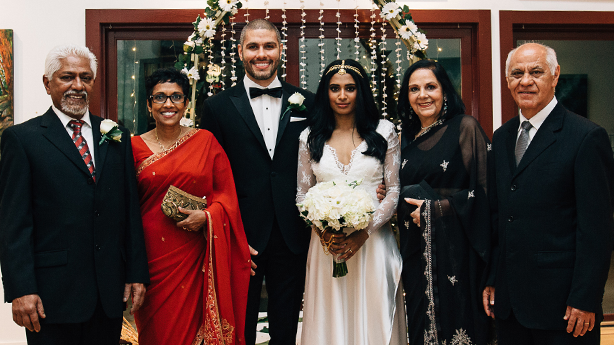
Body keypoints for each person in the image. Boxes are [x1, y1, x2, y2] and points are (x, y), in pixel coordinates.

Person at [0, 44, 149, 344]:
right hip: (50, 295)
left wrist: (136, 273)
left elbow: (129, 212)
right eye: (67, 77)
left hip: (107, 294)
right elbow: (13, 222)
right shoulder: (21, 139)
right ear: (47, 83)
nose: (78, 86)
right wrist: (21, 289)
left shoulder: (116, 136)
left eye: (86, 77)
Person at [483, 42, 614, 344]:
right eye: (517, 73)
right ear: (507, 81)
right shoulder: (502, 138)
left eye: (536, 72)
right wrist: (493, 278)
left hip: (564, 307)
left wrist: (586, 297)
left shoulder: (586, 137)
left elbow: (597, 230)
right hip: (510, 305)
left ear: (555, 76)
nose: (525, 81)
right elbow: (500, 217)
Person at [199, 19, 315, 344]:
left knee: (287, 330)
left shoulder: (308, 102)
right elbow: (208, 175)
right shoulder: (217, 107)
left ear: (280, 50)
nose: (261, 54)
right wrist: (228, 231)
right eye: (253, 46)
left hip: (293, 236)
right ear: (240, 52)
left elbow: (324, 162)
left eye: (268, 46)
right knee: (240, 328)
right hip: (240, 237)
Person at [131, 67, 251, 345]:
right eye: (159, 97)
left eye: (176, 97)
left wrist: (208, 216)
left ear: (186, 103)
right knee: (159, 332)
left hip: (197, 254)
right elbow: (125, 205)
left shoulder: (205, 141)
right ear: (149, 105)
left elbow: (227, 195)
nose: (168, 104)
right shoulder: (133, 147)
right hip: (151, 260)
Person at [296, 59, 406, 345]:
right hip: (326, 248)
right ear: (325, 93)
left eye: (350, 88)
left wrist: (362, 234)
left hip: (373, 244)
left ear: (361, 91)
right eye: (334, 89)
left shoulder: (384, 132)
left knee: (375, 316)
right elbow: (302, 194)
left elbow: (393, 191)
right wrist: (323, 233)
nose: (342, 96)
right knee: (330, 320)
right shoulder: (309, 137)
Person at [396, 59, 493, 345]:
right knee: (421, 326)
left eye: (431, 87)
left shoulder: (465, 128)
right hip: (416, 253)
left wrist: (437, 209)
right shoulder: (405, 139)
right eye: (414, 89)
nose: (422, 95)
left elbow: (484, 193)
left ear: (445, 92)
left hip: (458, 253)